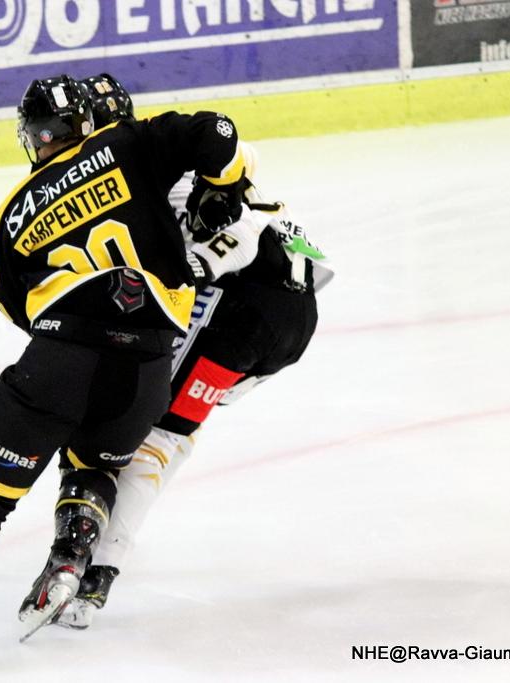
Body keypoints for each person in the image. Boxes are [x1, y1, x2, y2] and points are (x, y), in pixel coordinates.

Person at [0, 74, 267, 679]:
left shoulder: (14, 209)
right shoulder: (132, 144)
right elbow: (218, 132)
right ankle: (71, 560)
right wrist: (221, 187)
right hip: (149, 366)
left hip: (63, 357)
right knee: (93, 465)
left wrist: (68, 347)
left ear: (38, 136)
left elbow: (13, 302)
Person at [56, 74, 331, 629]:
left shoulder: (142, 176)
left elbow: (239, 233)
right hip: (289, 317)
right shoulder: (168, 156)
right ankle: (100, 566)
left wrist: (195, 269)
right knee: (174, 429)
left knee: (158, 433)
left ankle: (96, 571)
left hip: (245, 310)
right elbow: (249, 174)